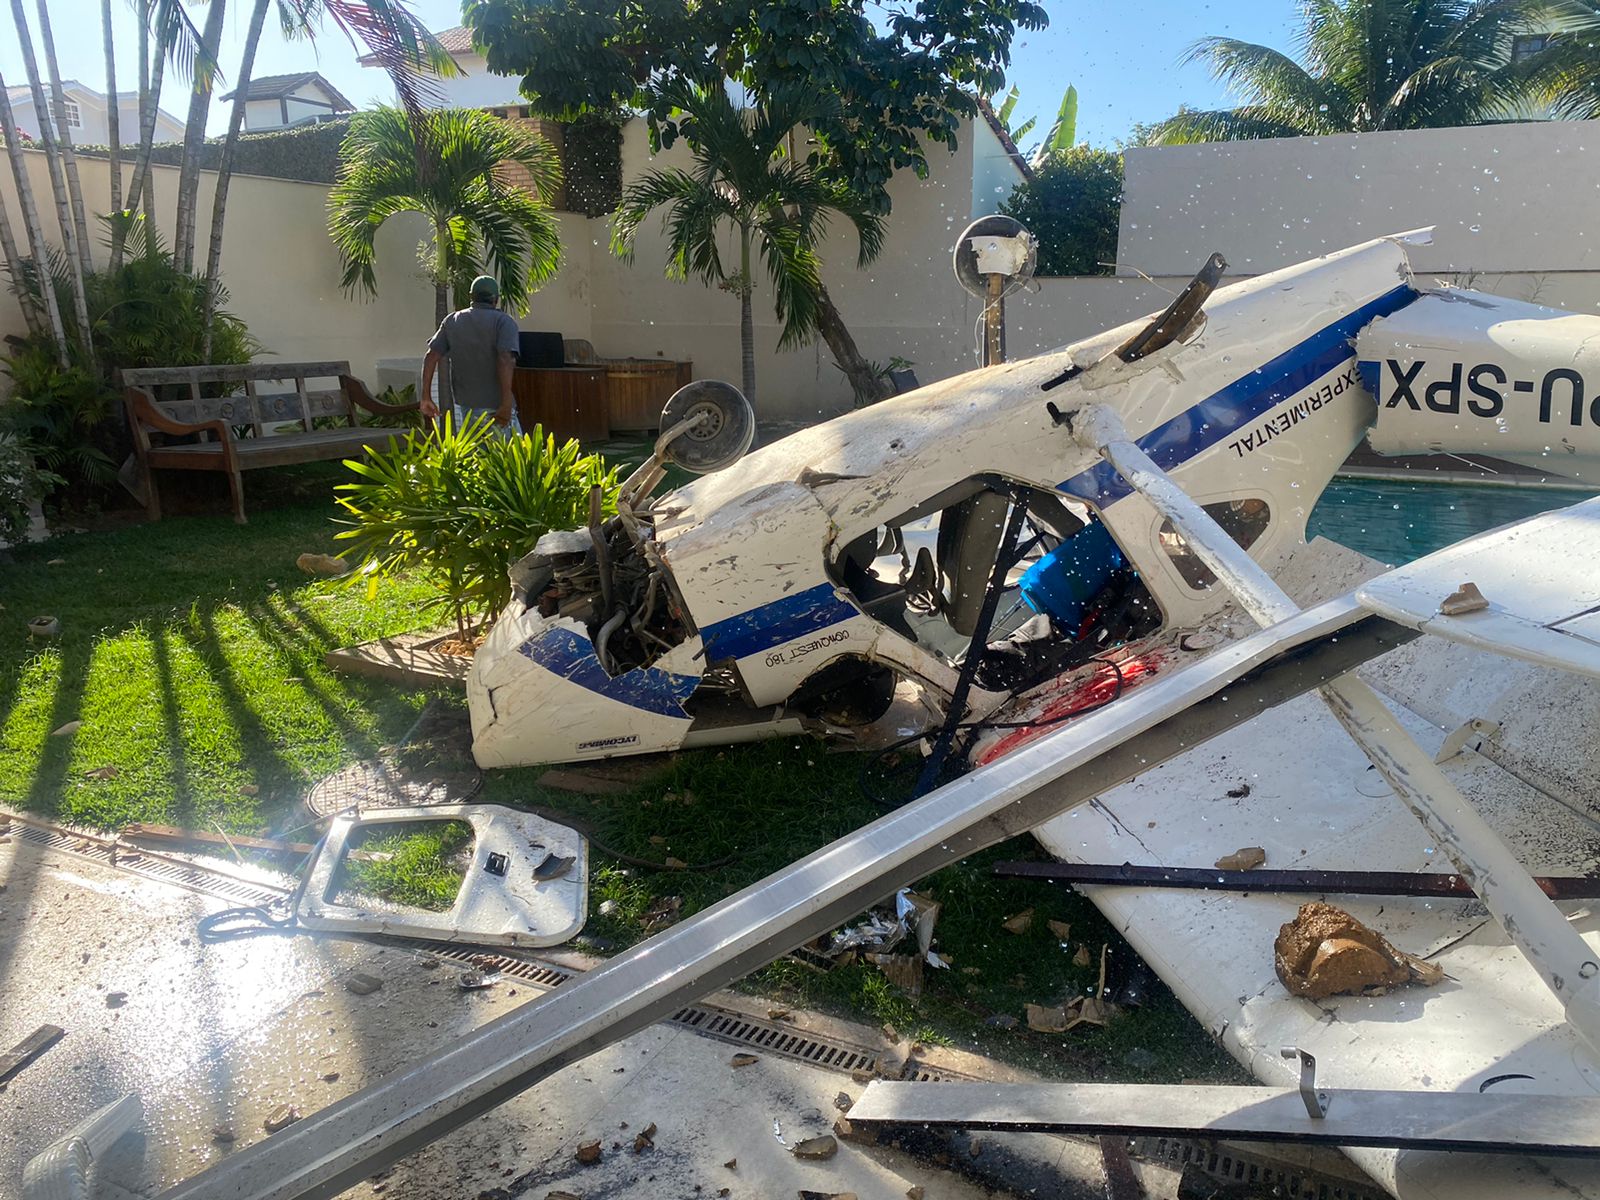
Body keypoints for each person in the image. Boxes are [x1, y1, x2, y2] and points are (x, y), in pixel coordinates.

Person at [420, 275, 522, 435]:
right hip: (497, 408)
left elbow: (431, 357)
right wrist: (506, 402)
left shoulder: (452, 321)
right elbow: (505, 359)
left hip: (467, 407)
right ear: (495, 299)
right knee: (511, 457)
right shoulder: (503, 322)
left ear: (471, 297)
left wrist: (426, 396)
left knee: (478, 457)